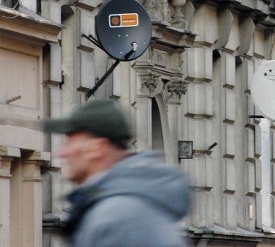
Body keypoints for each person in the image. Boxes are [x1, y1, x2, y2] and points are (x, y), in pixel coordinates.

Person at [43, 99, 191, 246]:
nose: (61, 153)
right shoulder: (119, 208)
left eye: (70, 142)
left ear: (97, 148)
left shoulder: (118, 217)